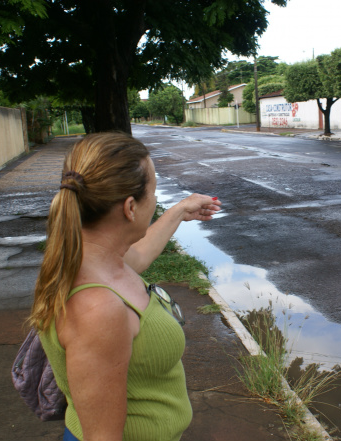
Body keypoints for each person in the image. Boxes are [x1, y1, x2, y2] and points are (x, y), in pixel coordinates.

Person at [30, 132, 221, 441]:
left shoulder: (94, 259)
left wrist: (179, 211)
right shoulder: (98, 309)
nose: (157, 201)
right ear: (130, 207)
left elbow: (140, 255)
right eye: (154, 192)